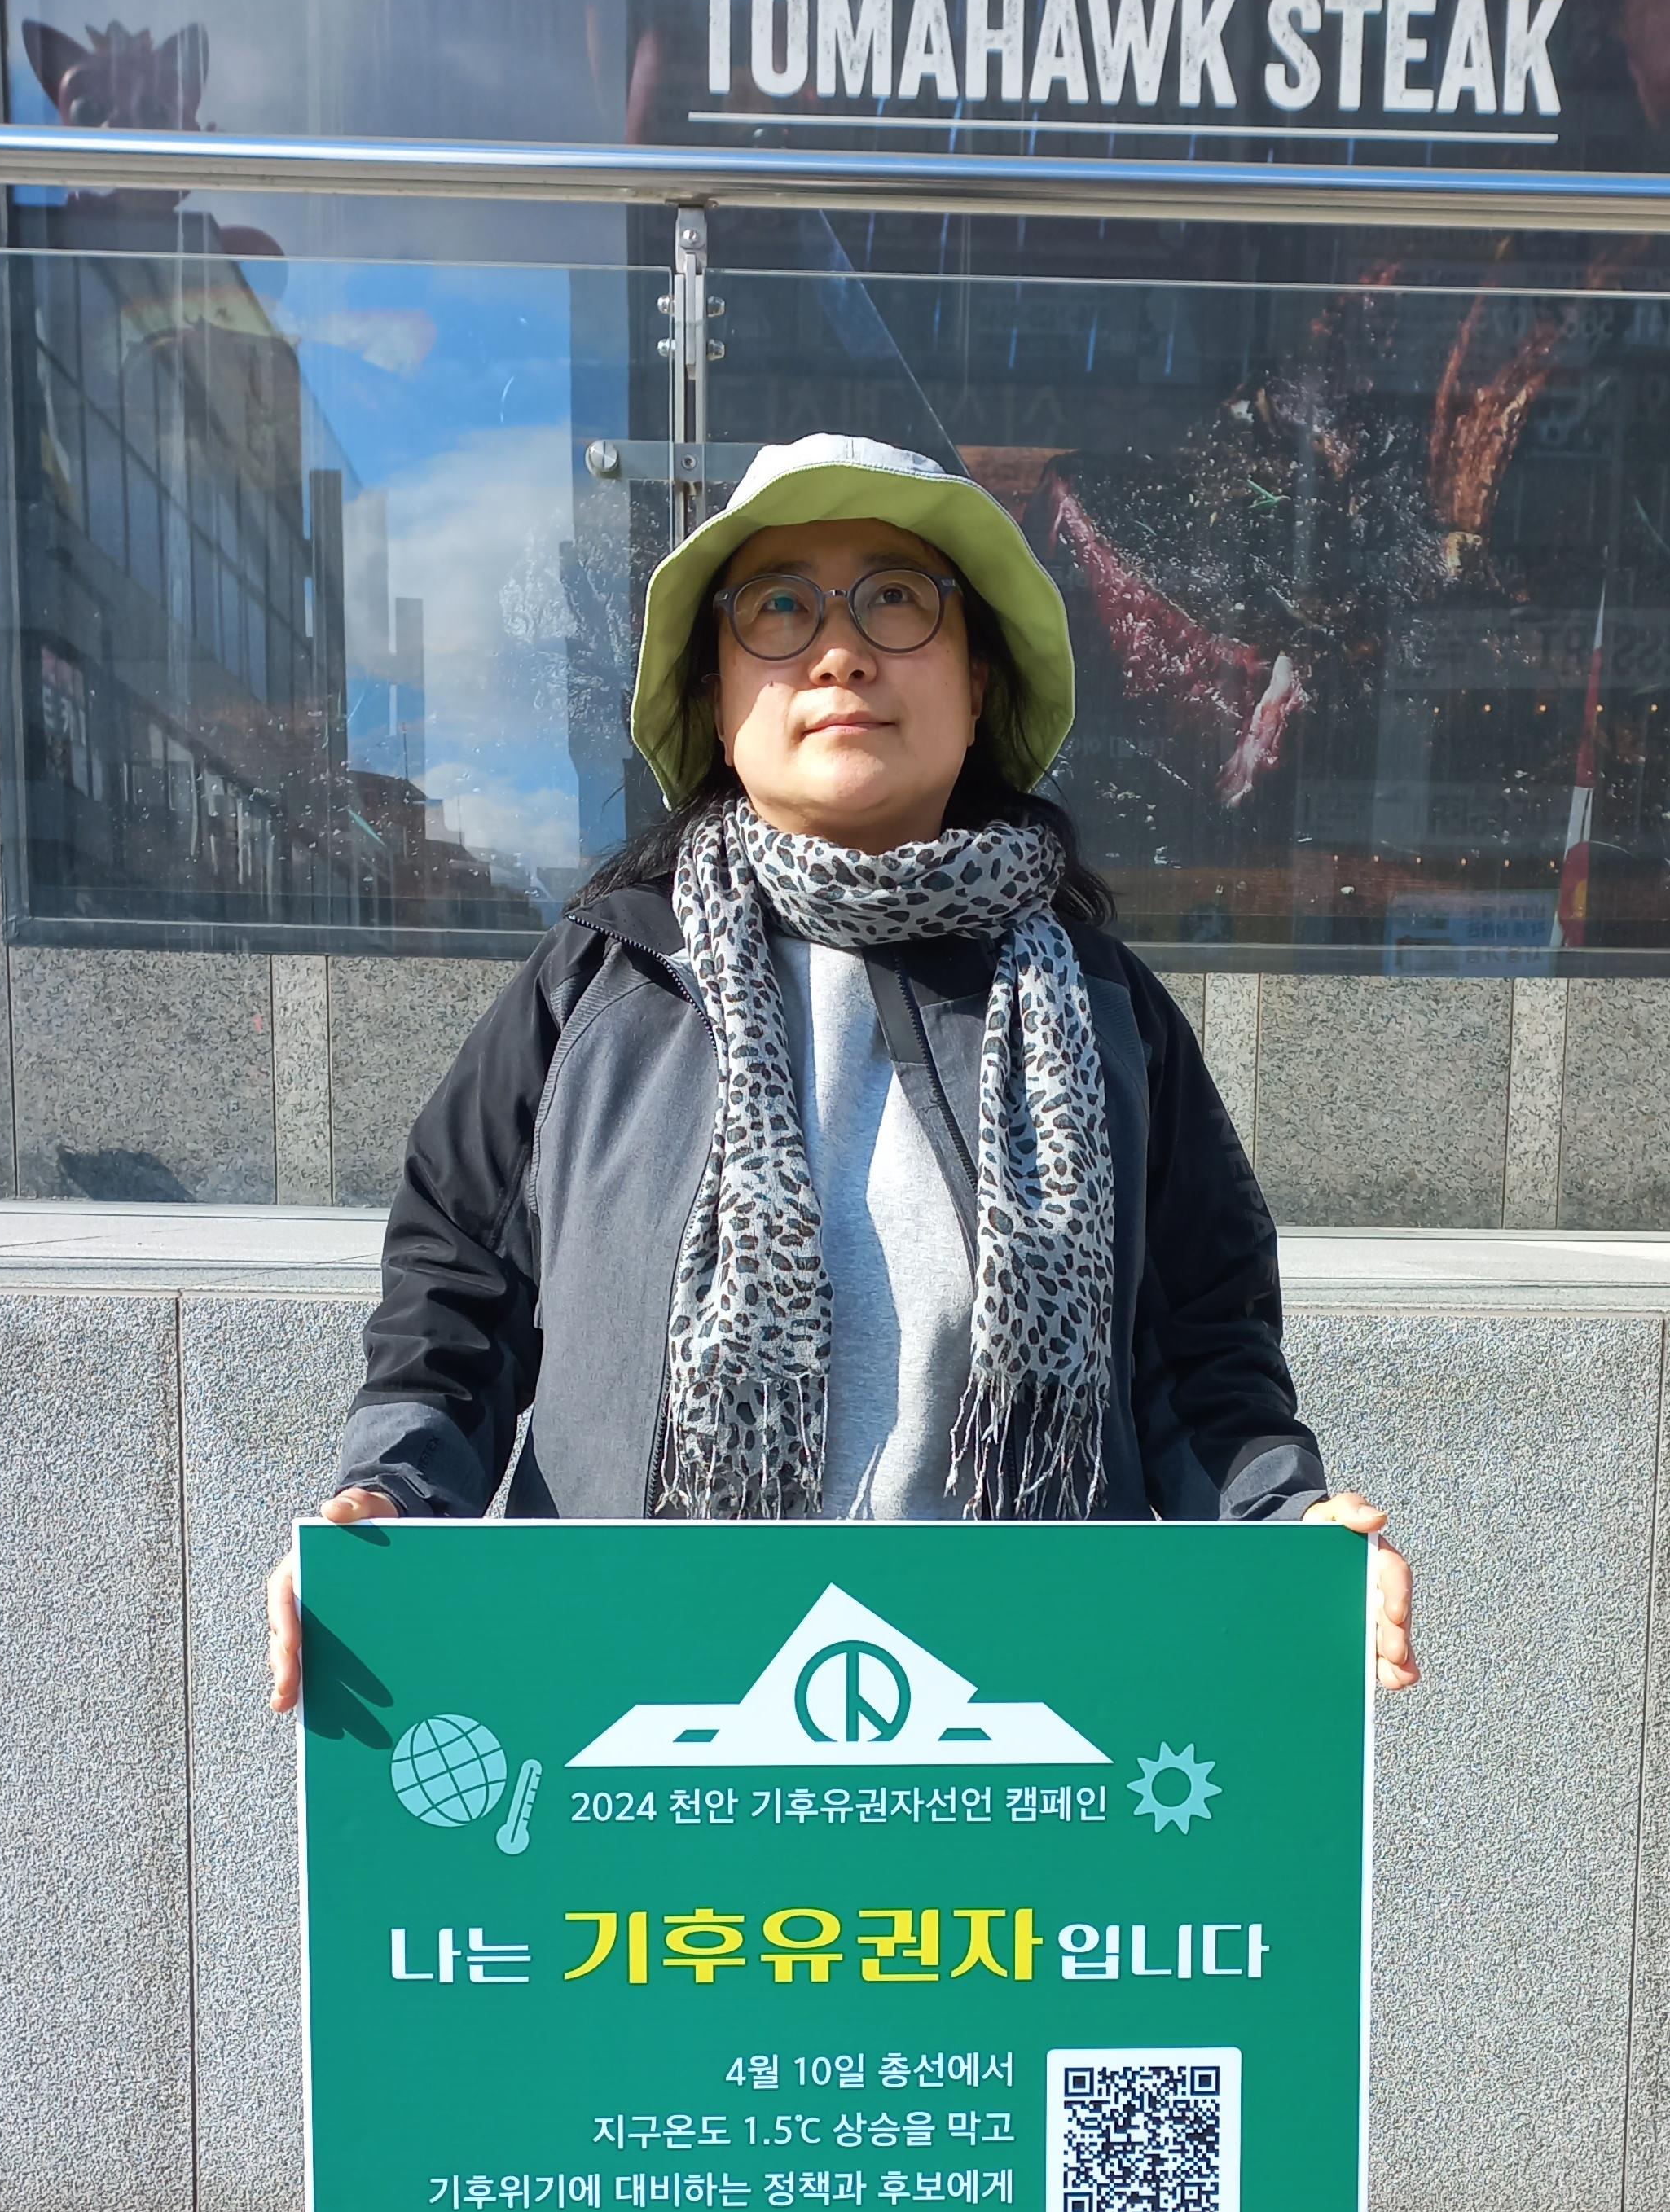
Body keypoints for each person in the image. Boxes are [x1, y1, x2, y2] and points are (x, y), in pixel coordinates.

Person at [267, 433, 1413, 1705]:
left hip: (1007, 1722)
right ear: (716, 698)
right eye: (778, 609)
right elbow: (455, 1306)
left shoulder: (1103, 1016)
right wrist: (388, 1506)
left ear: (978, 681)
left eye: (897, 600)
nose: (840, 653)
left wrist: (1286, 1531)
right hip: (641, 1710)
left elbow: (1205, 1357)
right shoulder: (598, 987)